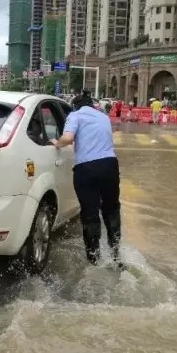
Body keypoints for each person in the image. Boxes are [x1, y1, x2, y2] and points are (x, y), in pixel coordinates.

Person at [50, 94, 122, 268]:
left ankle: (94, 259)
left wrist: (56, 143)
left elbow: (67, 138)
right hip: (110, 166)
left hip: (87, 169)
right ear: (92, 105)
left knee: (90, 213)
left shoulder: (75, 115)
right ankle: (116, 254)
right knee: (111, 209)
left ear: (75, 106)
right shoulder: (104, 117)